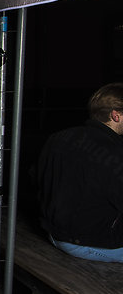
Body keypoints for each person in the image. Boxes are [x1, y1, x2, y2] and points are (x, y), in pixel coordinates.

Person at [37, 83, 123, 262]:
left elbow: (38, 181)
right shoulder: (116, 152)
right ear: (116, 115)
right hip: (91, 244)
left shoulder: (57, 138)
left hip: (54, 234)